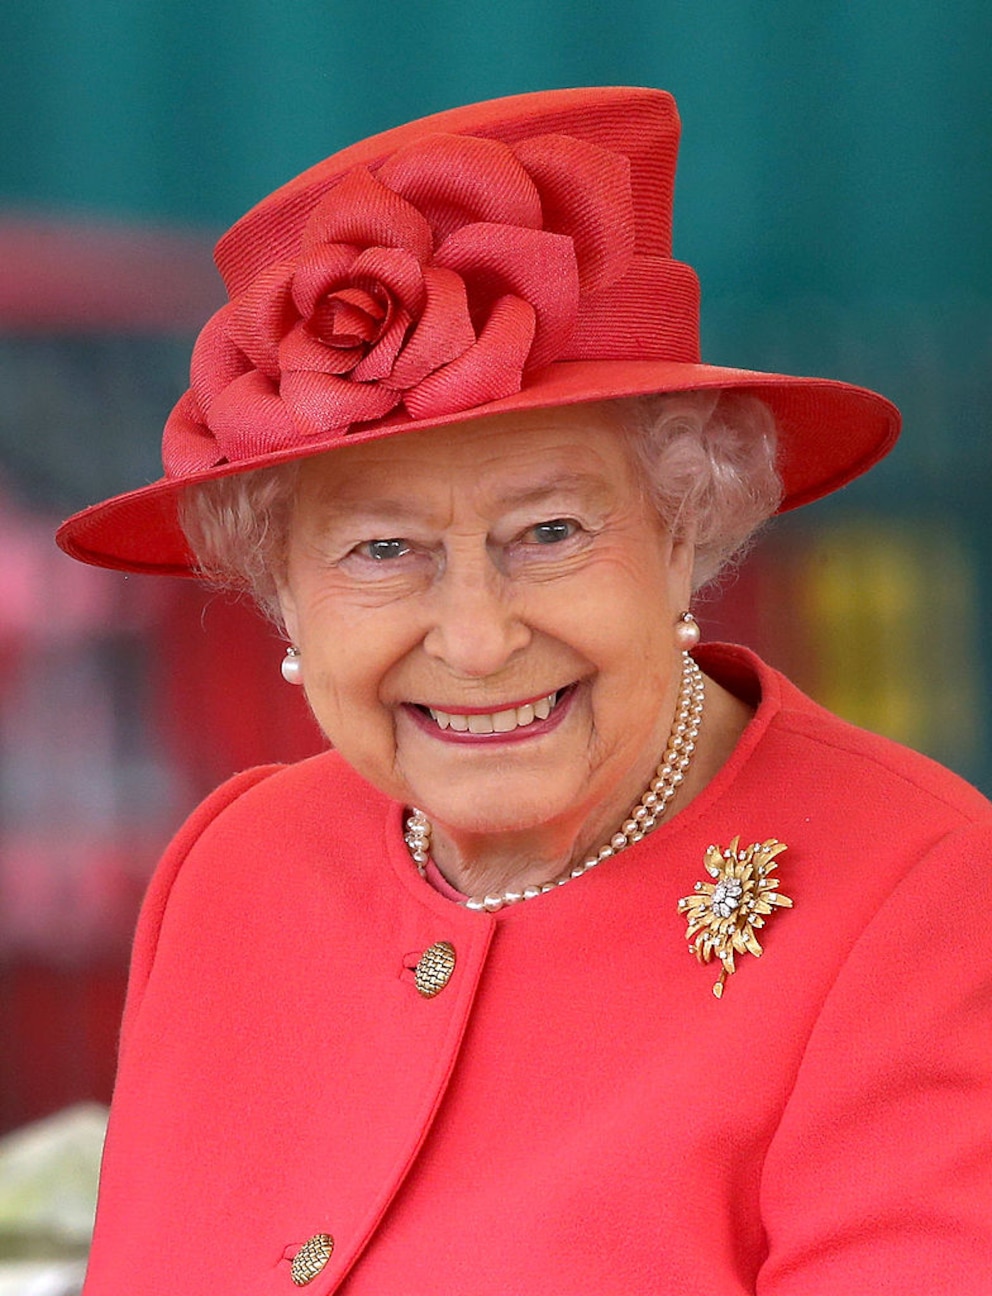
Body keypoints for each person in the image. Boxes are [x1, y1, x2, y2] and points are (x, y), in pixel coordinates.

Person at [57, 87, 992, 1295]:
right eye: (380, 551)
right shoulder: (232, 868)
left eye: (546, 530)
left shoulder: (921, 900)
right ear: (283, 597)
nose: (478, 639)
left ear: (680, 535)